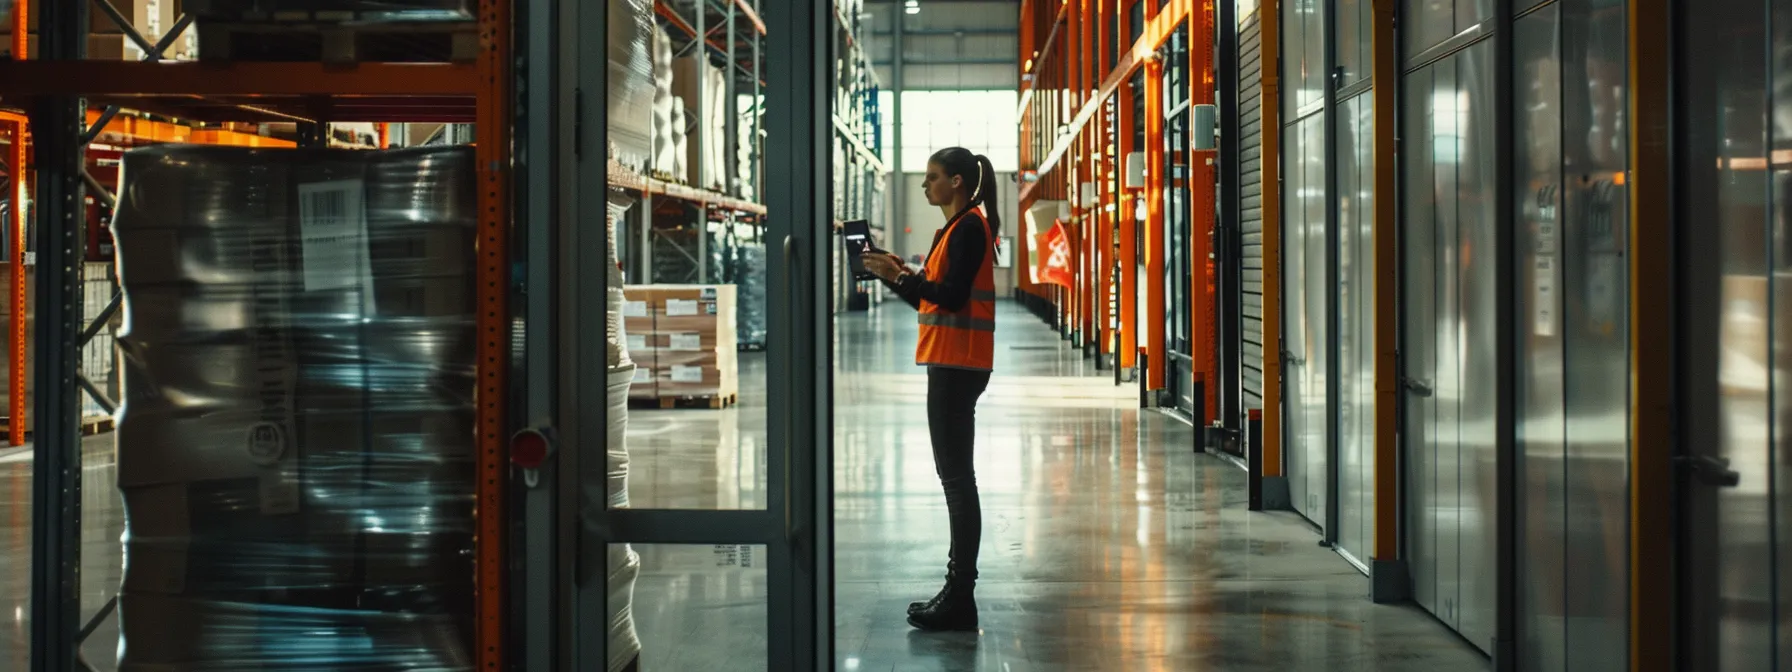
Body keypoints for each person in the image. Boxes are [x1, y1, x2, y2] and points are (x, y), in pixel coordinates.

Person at [862, 147, 1000, 632]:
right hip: (953, 361)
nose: (925, 186)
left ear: (957, 182)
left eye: (932, 178)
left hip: (957, 366)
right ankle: (958, 592)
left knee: (958, 482)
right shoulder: (955, 229)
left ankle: (960, 596)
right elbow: (934, 300)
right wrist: (896, 275)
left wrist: (902, 276)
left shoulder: (966, 227)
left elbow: (952, 295)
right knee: (956, 479)